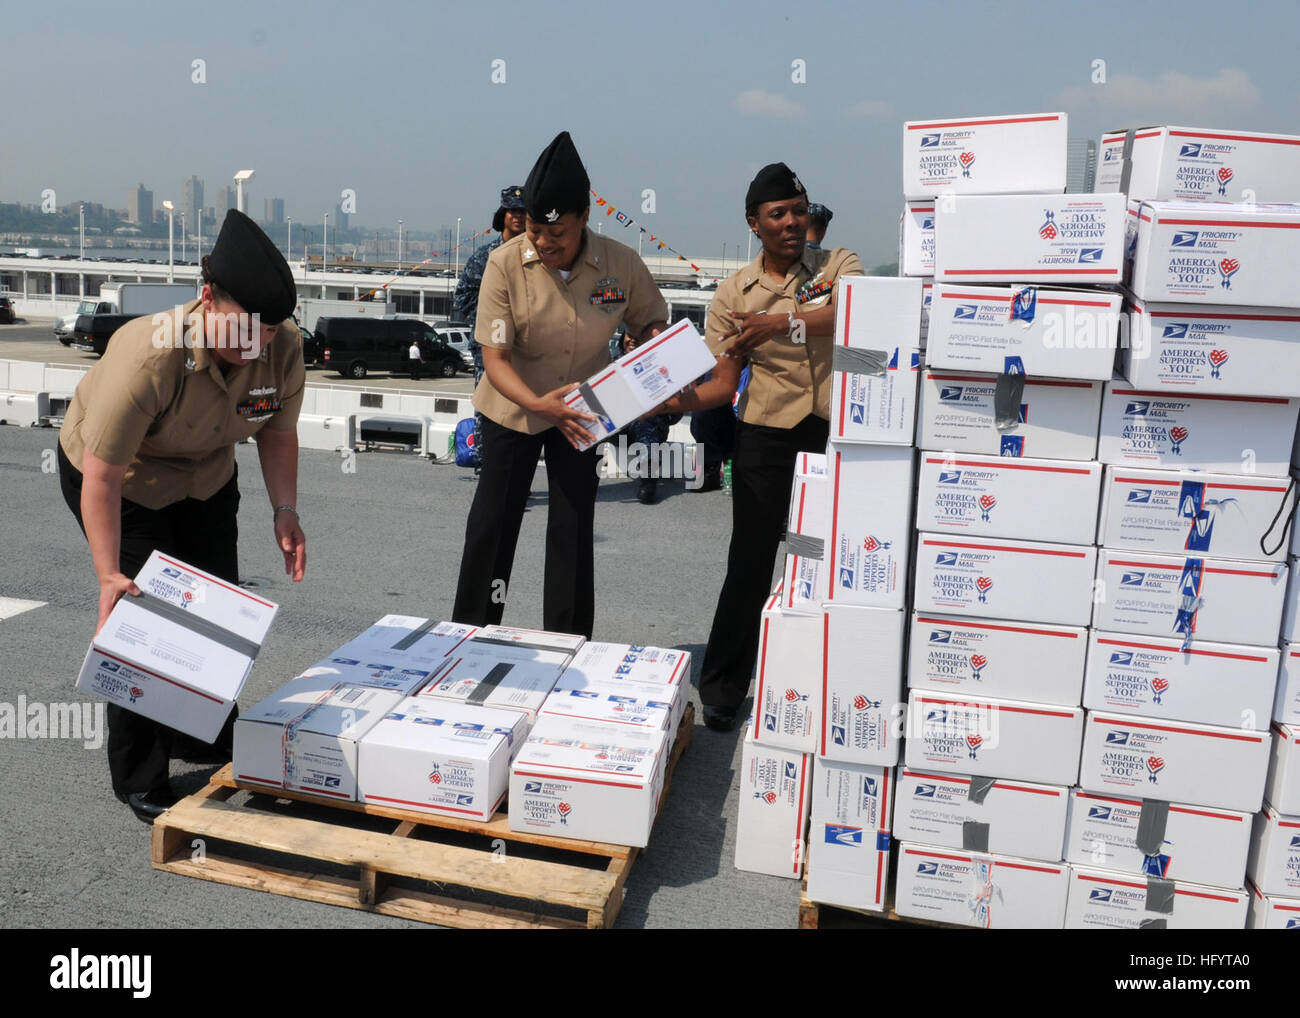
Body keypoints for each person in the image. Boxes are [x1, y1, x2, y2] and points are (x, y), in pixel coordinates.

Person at [58, 209, 307, 824]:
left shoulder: (282, 347)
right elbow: (103, 475)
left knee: (212, 612)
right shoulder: (148, 353)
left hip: (206, 475)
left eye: (270, 330)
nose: (260, 343)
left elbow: (277, 434)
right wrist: (108, 575)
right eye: (248, 328)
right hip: (122, 479)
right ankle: (140, 773)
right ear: (205, 300)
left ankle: (198, 730)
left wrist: (285, 510)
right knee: (148, 619)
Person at [655, 164, 862, 731]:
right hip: (766, 437)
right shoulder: (732, 292)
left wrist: (778, 323)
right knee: (749, 562)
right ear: (755, 223)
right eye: (778, 214)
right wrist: (666, 403)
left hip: (833, 433)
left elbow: (851, 315)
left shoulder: (837, 264)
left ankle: (823, 685)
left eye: (799, 209)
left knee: (825, 559)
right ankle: (723, 687)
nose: (792, 222)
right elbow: (723, 383)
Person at [451, 131, 667, 638]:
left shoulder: (621, 264)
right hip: (513, 407)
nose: (545, 244)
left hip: (585, 410)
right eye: (535, 233)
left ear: (584, 219)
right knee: (494, 528)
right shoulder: (504, 265)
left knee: (571, 528)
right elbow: (494, 358)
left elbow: (651, 322)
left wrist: (648, 342)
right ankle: (470, 639)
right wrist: (537, 404)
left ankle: (567, 644)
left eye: (558, 235)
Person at [453, 185, 527, 469]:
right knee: (488, 408)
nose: (518, 217)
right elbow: (464, 298)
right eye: (513, 211)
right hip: (490, 346)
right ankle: (487, 469)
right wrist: (494, 320)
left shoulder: (537, 257)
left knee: (522, 410)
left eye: (523, 212)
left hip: (526, 348)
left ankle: (516, 472)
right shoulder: (485, 257)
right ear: (503, 215)